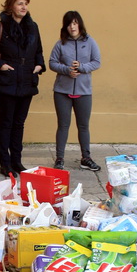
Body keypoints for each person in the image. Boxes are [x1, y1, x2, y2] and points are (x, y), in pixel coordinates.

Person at [0, 0, 45, 177]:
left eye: (26, 3)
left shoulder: (33, 27)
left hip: (27, 81)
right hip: (6, 82)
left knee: (19, 124)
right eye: (20, 3)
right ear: (10, 6)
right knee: (6, 123)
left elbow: (38, 51)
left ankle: (16, 161)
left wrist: (39, 65)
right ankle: (5, 163)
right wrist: (0, 65)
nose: (24, 7)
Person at [49, 10, 101, 171]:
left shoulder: (90, 42)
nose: (72, 27)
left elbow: (97, 62)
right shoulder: (60, 44)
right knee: (63, 125)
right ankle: (59, 158)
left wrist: (82, 67)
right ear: (65, 26)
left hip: (84, 91)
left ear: (79, 24)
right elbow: (52, 63)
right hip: (62, 91)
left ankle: (86, 158)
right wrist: (66, 70)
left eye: (75, 23)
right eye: (69, 24)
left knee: (83, 126)